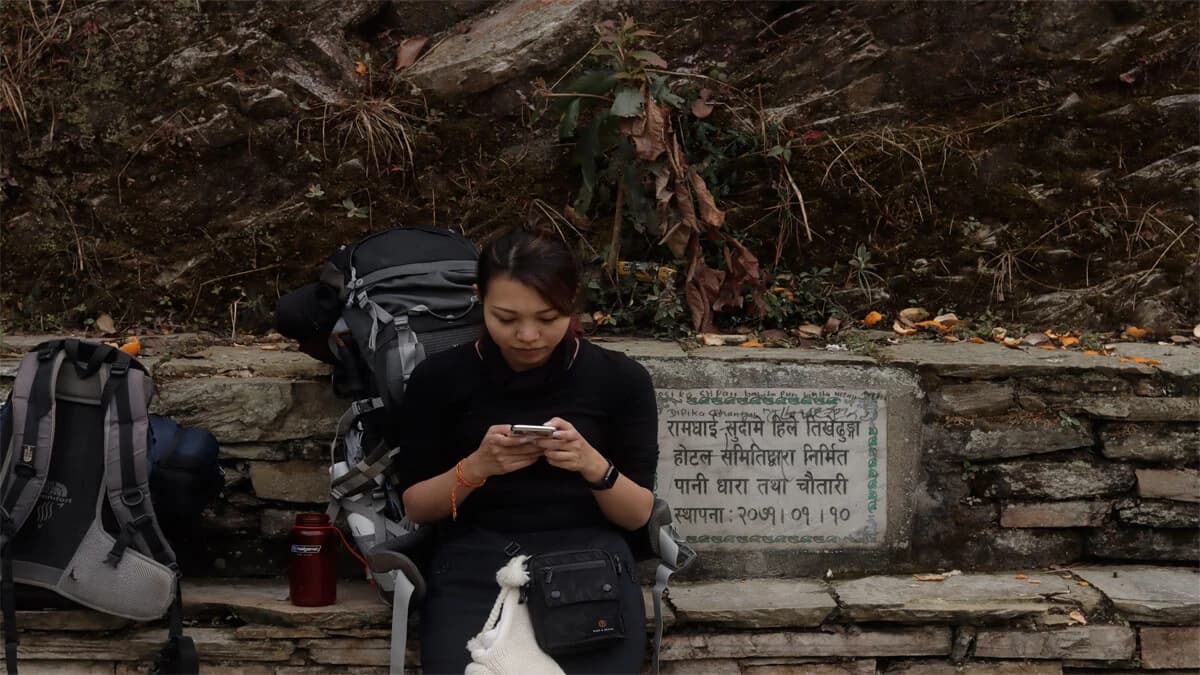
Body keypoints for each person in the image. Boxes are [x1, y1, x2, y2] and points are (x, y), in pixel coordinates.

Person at [394, 225, 659, 674]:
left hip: (590, 562)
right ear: (480, 299)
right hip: (474, 559)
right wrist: (476, 468)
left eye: (548, 317)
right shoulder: (439, 379)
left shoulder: (620, 380)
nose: (528, 335)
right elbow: (417, 507)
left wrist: (593, 465)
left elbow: (637, 515)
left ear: (573, 301)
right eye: (507, 318)